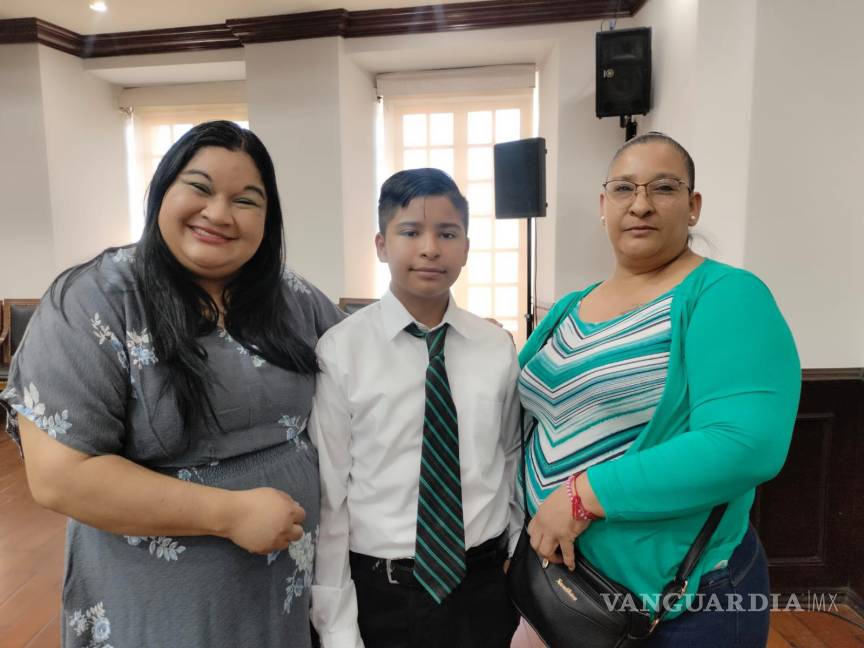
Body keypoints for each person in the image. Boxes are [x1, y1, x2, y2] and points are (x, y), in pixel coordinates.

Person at [0, 120, 345, 647]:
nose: (219, 214)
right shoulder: (96, 300)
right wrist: (228, 514)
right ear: (163, 189)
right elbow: (59, 477)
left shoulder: (293, 297)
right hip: (158, 600)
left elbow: (368, 377)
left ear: (268, 218)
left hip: (287, 587)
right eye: (200, 187)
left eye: (246, 200)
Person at [518, 132, 800, 647]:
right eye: (624, 189)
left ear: (692, 207)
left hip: (680, 601)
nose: (641, 204)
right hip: (567, 586)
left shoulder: (726, 295)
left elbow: (745, 445)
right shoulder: (570, 307)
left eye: (664, 188)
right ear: (604, 206)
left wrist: (583, 497)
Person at [309, 168, 522, 648]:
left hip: (483, 587)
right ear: (382, 245)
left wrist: (513, 549)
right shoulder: (341, 352)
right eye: (411, 232)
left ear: (466, 247)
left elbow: (508, 456)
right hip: (382, 594)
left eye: (447, 234)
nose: (430, 247)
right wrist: (339, 627)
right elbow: (331, 496)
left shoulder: (496, 348)